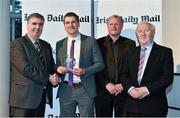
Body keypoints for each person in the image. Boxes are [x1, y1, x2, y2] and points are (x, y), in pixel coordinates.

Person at [9, 13, 60, 117]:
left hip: (40, 99)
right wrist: (48, 77)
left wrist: (57, 73)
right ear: (27, 25)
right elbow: (26, 68)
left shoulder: (46, 45)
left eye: (40, 24)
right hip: (23, 100)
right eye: (34, 24)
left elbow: (50, 66)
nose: (37, 27)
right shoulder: (17, 44)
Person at [56, 12, 104, 117]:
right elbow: (57, 65)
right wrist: (58, 70)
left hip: (85, 89)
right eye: (67, 22)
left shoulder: (90, 41)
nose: (71, 25)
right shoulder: (59, 44)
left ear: (78, 24)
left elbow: (100, 64)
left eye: (73, 22)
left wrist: (85, 71)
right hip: (66, 89)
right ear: (64, 25)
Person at [121, 21, 174, 117]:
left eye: (146, 30)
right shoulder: (130, 52)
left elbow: (167, 77)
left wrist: (146, 90)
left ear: (153, 33)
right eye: (140, 31)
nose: (143, 33)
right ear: (137, 35)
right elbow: (123, 74)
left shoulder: (165, 52)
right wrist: (130, 89)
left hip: (154, 106)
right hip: (131, 107)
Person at [94, 15, 136, 117]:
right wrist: (106, 84)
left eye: (117, 24)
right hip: (103, 90)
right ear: (107, 26)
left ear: (122, 26)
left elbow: (133, 67)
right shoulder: (97, 43)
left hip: (123, 90)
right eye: (111, 24)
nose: (114, 26)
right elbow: (95, 67)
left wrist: (123, 85)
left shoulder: (130, 44)